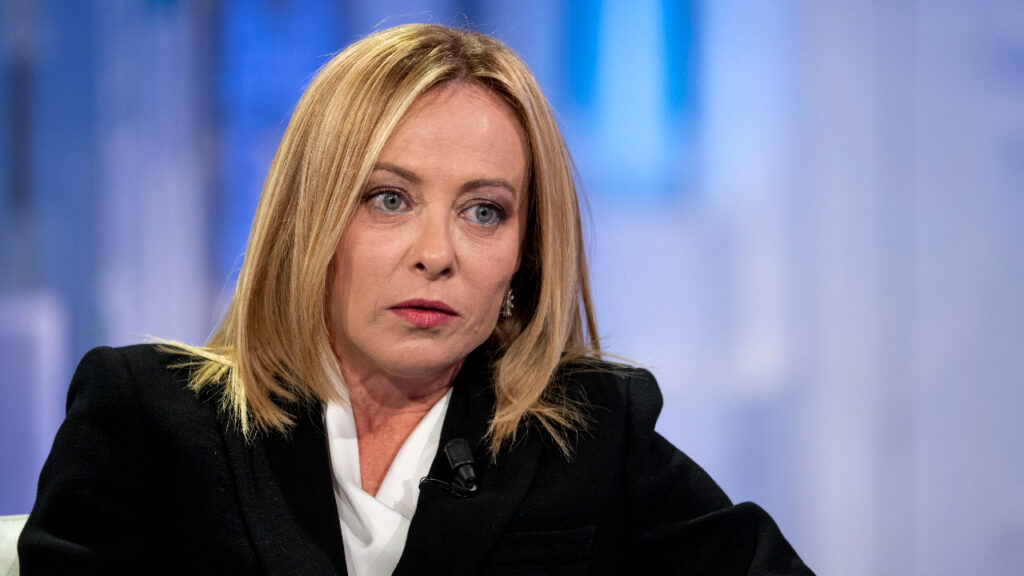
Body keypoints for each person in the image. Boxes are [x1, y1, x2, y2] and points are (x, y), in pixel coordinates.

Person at [18, 24, 813, 575]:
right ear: (310, 218)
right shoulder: (148, 415)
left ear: (526, 253)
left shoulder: (591, 436)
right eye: (389, 199)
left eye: (484, 212)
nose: (437, 254)